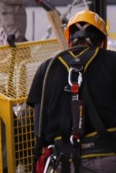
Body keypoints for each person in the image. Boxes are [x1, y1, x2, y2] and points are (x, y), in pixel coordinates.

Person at [27, 10, 116, 172]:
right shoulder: (113, 61)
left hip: (63, 163)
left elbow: (39, 130)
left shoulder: (46, 69)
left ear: (69, 41)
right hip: (109, 160)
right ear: (102, 42)